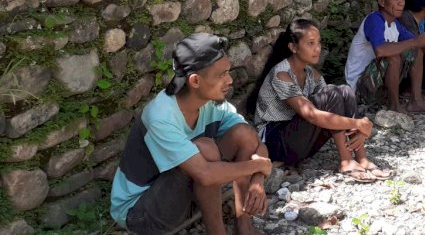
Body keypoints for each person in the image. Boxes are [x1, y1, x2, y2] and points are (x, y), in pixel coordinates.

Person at [110, 33, 271, 235]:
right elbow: (205, 174)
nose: (229, 80)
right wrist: (259, 166)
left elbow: (255, 143)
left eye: (228, 72)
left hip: (185, 199)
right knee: (206, 148)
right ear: (195, 80)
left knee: (244, 134)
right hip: (141, 214)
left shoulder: (212, 104)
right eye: (221, 75)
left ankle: (244, 226)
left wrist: (257, 179)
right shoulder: (161, 116)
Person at [248, 19, 392, 183]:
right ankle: (345, 161)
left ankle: (361, 157)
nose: (317, 48)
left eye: (318, 43)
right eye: (310, 43)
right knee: (332, 94)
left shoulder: (310, 73)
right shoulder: (281, 74)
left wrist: (357, 126)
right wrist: (357, 123)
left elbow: (336, 104)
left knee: (344, 91)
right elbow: (312, 115)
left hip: (300, 139)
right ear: (293, 47)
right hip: (276, 143)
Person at [345, 0, 425, 114]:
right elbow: (380, 50)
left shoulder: (394, 24)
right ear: (382, 2)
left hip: (376, 85)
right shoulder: (374, 20)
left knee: (416, 50)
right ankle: (394, 106)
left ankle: (416, 101)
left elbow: (416, 44)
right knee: (393, 56)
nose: (401, 3)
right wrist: (415, 42)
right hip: (360, 88)